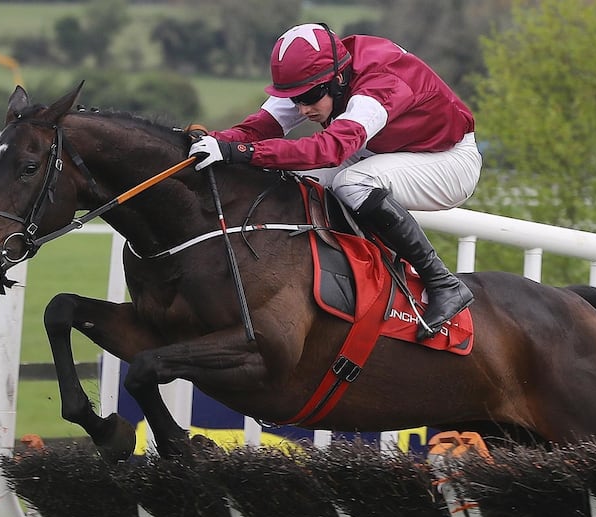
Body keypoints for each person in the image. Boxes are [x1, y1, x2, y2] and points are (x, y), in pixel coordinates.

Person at [189, 23, 481, 340]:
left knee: (352, 183)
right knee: (289, 180)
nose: (302, 108)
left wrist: (240, 152)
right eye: (294, 99)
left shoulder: (380, 85)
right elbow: (258, 130)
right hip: (378, 151)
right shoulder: (316, 78)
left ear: (339, 78)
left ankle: (442, 282)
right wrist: (205, 141)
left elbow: (331, 149)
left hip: (449, 160)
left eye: (310, 98)